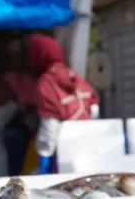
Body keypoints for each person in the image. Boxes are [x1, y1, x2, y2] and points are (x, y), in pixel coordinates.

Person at [29, 34, 100, 174]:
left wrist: (44, 156)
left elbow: (49, 126)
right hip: (88, 146)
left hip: (64, 152)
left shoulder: (46, 82)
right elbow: (94, 109)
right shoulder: (75, 77)